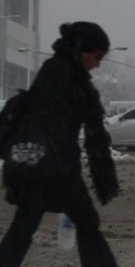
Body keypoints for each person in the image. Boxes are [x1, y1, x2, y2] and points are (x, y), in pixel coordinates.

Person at [0, 22, 120, 267]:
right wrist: (99, 177)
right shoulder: (66, 75)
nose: (98, 63)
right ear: (83, 51)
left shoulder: (55, 69)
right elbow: (69, 127)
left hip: (35, 166)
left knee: (23, 228)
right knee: (86, 225)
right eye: (97, 56)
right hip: (54, 170)